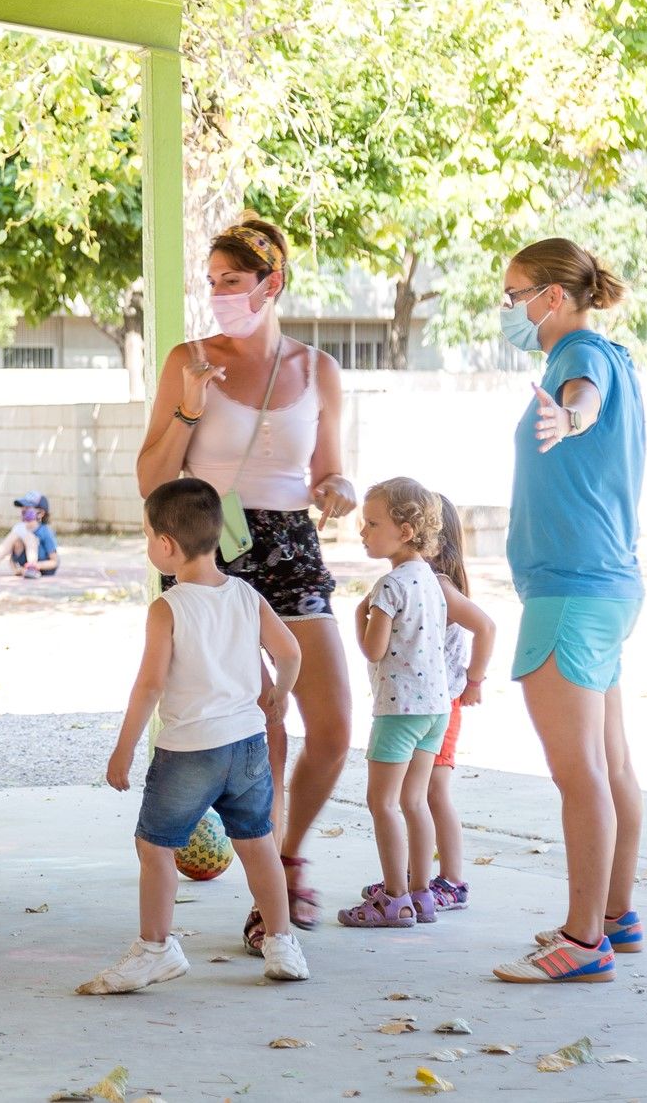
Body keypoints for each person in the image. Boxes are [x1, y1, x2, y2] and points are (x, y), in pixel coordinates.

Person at [135, 215, 357, 947]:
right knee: (261, 729)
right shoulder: (189, 358)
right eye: (213, 282)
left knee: (330, 723)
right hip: (209, 544)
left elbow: (330, 466)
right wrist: (190, 406)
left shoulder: (318, 369)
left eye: (234, 281)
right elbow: (151, 476)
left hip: (293, 541)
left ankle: (285, 852)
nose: (220, 294)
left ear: (272, 282)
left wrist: (338, 488)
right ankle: (273, 898)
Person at [489, 238, 646, 987]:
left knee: (580, 773)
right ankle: (614, 915)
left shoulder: (581, 357)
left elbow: (581, 402)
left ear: (553, 295)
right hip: (604, 585)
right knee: (609, 764)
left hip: (571, 592)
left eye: (514, 293)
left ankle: (584, 942)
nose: (508, 308)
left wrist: (571, 421)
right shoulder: (611, 357)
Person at [82, 478, 307, 995]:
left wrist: (123, 749)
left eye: (147, 536)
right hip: (247, 745)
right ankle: (281, 943)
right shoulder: (246, 596)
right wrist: (280, 697)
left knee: (154, 846)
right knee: (258, 844)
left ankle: (156, 950)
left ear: (165, 545)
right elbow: (290, 652)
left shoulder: (169, 607)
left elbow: (150, 684)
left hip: (189, 750)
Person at [339, 479, 450, 931]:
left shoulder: (389, 586)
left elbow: (373, 649)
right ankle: (422, 893)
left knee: (382, 803)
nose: (362, 531)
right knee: (415, 801)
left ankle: (394, 897)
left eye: (371, 523)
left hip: (398, 709)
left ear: (405, 531)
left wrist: (357, 617)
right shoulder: (431, 580)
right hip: (435, 709)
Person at [423, 493, 495, 914]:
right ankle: (413, 875)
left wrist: (474, 680)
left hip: (440, 705)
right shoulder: (412, 582)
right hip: (417, 707)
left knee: (434, 792)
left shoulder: (440, 587)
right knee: (412, 793)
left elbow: (486, 626)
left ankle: (452, 880)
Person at [0, 492, 59, 579]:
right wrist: (15, 569)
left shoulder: (45, 531)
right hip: (25, 569)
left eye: (28, 508)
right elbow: (10, 551)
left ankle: (32, 567)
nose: (23, 510)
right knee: (14, 535)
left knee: (29, 537)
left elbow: (54, 562)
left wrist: (37, 565)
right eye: (22, 507)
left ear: (41, 513)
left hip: (44, 568)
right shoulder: (20, 528)